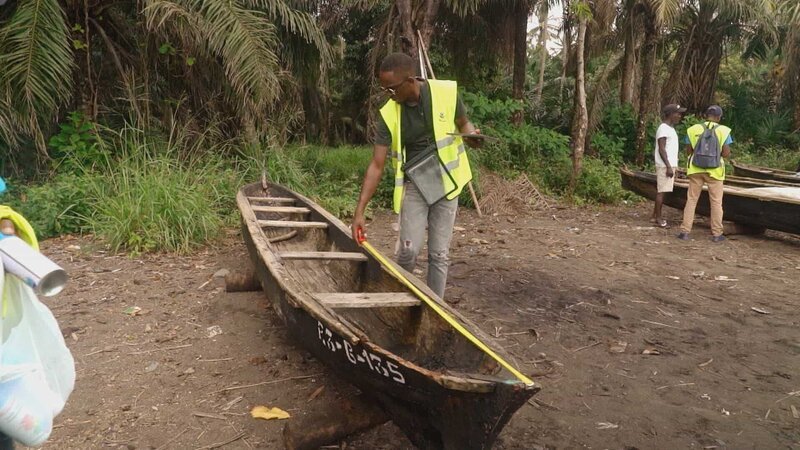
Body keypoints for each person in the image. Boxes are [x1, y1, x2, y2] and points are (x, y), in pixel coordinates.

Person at [350, 52, 482, 299]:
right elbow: (376, 165)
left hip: (447, 183)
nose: (388, 94)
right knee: (409, 251)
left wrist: (472, 135)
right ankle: (397, 298)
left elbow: (464, 123)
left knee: (439, 255)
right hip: (416, 185)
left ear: (410, 80)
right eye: (384, 89)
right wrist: (360, 211)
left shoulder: (445, 93)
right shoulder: (389, 113)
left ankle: (436, 309)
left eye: (391, 89)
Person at [677, 105, 733, 242]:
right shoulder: (723, 131)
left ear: (705, 115)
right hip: (715, 172)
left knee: (691, 200)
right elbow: (726, 154)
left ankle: (685, 232)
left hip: (696, 170)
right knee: (716, 202)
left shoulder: (693, 129)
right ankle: (717, 234)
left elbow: (689, 151)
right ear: (719, 117)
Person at [651, 104, 687, 227]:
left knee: (663, 191)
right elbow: (662, 149)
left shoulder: (670, 129)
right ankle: (658, 218)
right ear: (670, 114)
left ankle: (654, 216)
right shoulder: (663, 128)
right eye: (677, 113)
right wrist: (668, 166)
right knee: (661, 192)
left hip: (669, 164)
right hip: (665, 165)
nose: (679, 116)